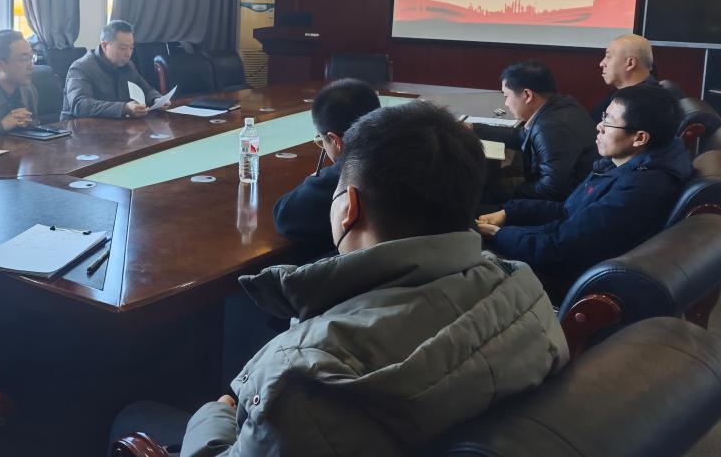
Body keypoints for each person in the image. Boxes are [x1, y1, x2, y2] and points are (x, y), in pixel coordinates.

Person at [115, 102, 567, 456]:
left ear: (349, 207)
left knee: (133, 415)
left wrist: (216, 415)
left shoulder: (306, 375)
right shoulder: (525, 289)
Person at [478, 84, 691, 281]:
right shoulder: (624, 163)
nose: (599, 126)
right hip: (554, 245)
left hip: (559, 276)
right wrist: (508, 214)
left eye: (609, 121)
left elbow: (559, 249)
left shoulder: (639, 189)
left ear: (640, 138)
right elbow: (567, 212)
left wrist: (498, 234)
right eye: (603, 116)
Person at [272, 78, 379, 251]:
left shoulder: (350, 172)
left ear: (335, 140)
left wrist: (314, 181)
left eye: (321, 140)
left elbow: (285, 214)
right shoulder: (410, 147)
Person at [472, 60, 597, 203]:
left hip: (565, 203)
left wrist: (504, 192)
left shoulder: (550, 128)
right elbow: (520, 136)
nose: (505, 104)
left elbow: (550, 190)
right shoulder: (563, 103)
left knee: (484, 192)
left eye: (506, 96)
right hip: (576, 191)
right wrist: (475, 128)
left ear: (527, 95)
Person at [61, 20, 164, 120]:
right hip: (77, 128)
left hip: (115, 126)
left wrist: (157, 99)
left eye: (131, 48)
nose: (128, 54)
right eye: (123, 48)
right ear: (105, 45)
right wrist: (124, 108)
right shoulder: (81, 67)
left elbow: (146, 89)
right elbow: (80, 105)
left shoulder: (129, 65)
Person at [590, 33, 661, 120]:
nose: (601, 63)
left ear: (630, 63)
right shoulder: (623, 95)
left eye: (608, 57)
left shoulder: (645, 106)